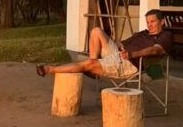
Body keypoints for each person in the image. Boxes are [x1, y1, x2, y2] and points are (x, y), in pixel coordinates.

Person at [37, 9, 173, 79]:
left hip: (129, 64)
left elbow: (155, 50)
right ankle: (93, 66)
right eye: (148, 22)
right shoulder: (143, 33)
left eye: (153, 22)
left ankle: (50, 70)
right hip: (119, 54)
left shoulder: (165, 36)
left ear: (162, 22)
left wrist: (131, 54)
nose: (149, 25)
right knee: (96, 31)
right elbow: (122, 43)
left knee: (89, 63)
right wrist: (109, 43)